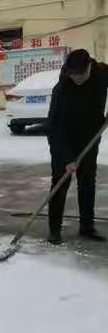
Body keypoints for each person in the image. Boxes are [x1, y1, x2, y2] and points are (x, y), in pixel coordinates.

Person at [47, 49, 108, 244]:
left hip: (90, 136)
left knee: (87, 182)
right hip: (64, 138)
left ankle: (87, 227)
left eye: (81, 74)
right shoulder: (62, 88)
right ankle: (54, 230)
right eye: (73, 75)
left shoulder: (102, 73)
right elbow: (54, 126)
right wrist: (66, 158)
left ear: (89, 66)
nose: (77, 79)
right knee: (59, 183)